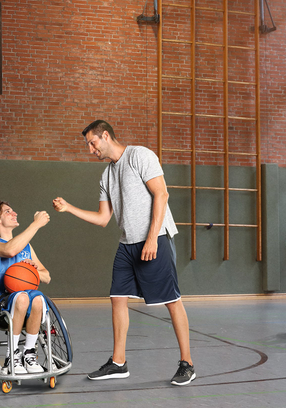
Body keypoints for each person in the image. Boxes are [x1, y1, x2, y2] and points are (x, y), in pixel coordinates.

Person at [52, 120, 195, 386]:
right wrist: (69, 208)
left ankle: (187, 363)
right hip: (127, 243)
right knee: (117, 298)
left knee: (171, 300)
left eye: (92, 143)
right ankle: (118, 363)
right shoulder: (106, 175)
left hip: (155, 238)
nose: (91, 150)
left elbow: (161, 195)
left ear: (105, 136)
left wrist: (152, 238)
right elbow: (103, 218)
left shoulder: (140, 155)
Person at [0, 201, 52, 374]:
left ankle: (29, 353)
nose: (14, 213)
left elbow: (47, 276)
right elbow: (9, 250)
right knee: (22, 297)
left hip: (24, 300)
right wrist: (36, 224)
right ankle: (12, 355)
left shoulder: (26, 246)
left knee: (39, 298)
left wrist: (33, 270)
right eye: (8, 211)